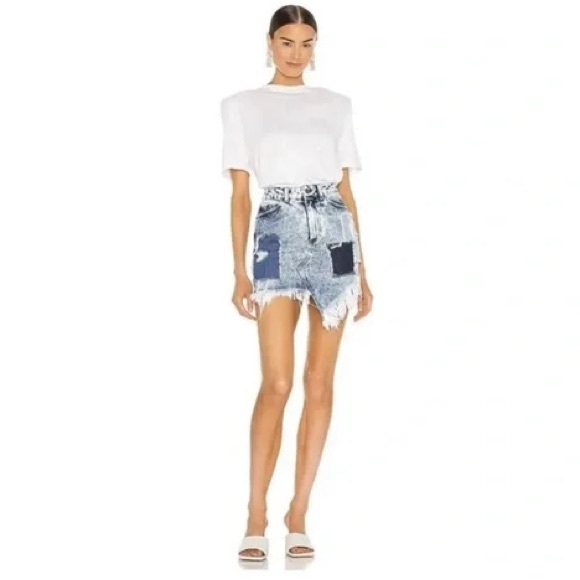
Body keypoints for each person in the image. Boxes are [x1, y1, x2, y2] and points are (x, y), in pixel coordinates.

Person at [220, 4, 373, 561]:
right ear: (269, 43)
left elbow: (346, 191)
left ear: (315, 47)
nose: (296, 53)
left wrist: (363, 270)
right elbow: (241, 196)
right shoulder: (241, 106)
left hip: (334, 235)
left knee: (320, 383)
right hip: (276, 232)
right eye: (287, 42)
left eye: (307, 43)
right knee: (278, 382)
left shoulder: (336, 105)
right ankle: (255, 513)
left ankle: (299, 512)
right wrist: (239, 270)